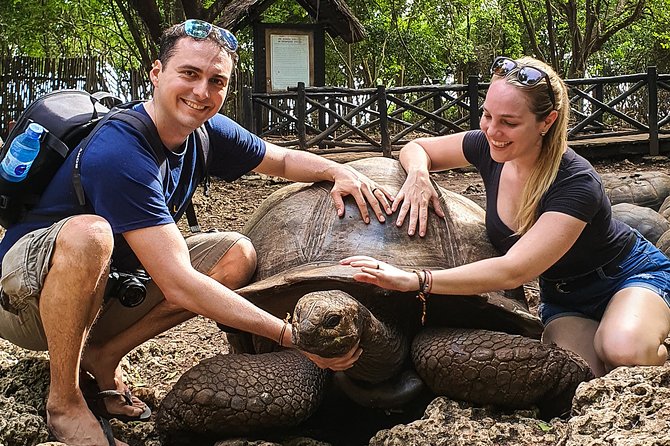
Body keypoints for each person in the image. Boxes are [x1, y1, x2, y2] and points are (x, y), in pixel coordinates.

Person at [0, 20, 392, 446]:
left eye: (216, 80)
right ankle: (65, 399)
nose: (202, 92)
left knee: (236, 253)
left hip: (108, 288)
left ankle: (103, 354)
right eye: (189, 74)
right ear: (156, 73)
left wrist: (339, 169)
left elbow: (278, 161)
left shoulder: (204, 131)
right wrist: (291, 337)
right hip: (27, 300)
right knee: (89, 235)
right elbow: (180, 284)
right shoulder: (120, 152)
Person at [342, 56, 670, 381]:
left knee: (625, 351)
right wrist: (418, 175)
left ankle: (654, 338)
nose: (492, 130)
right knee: (584, 376)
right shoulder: (488, 147)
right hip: (564, 298)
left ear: (547, 121)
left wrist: (415, 279)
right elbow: (416, 147)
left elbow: (514, 271)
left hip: (623, 277)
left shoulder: (576, 183)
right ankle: (622, 326)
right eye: (486, 115)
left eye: (509, 122)